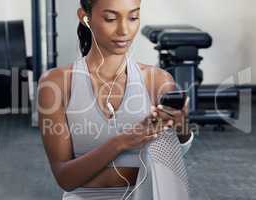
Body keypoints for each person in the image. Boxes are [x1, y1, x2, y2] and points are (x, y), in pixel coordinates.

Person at [38, 0, 194, 199]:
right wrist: (122, 142)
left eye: (133, 17)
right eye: (110, 18)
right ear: (85, 18)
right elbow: (65, 178)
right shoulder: (56, 84)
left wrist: (182, 126)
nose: (124, 30)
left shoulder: (157, 80)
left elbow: (173, 155)